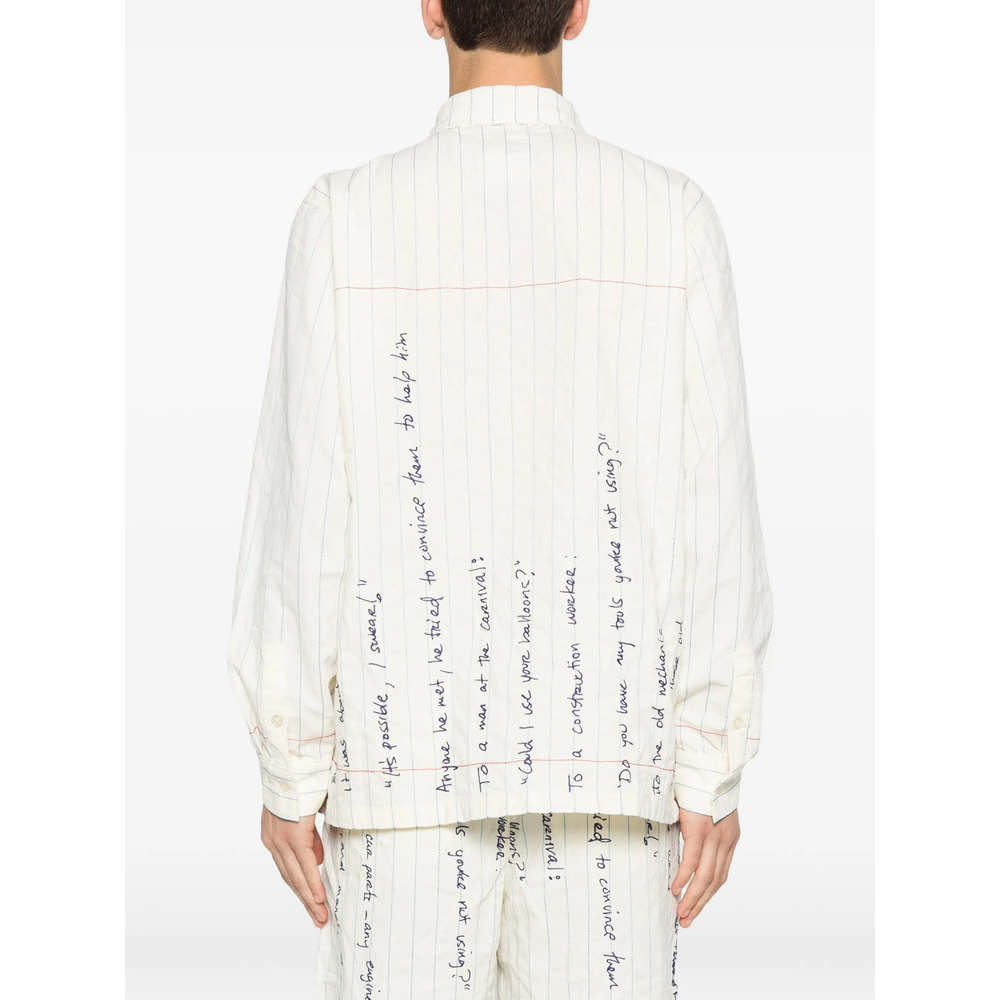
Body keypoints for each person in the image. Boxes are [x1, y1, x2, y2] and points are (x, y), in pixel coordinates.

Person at [226, 1, 773, 996]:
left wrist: (289, 766)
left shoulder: (344, 219)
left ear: (432, 11)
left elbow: (303, 515)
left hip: (401, 785)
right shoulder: (672, 218)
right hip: (610, 787)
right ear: (579, 11)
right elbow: (717, 520)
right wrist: (710, 764)